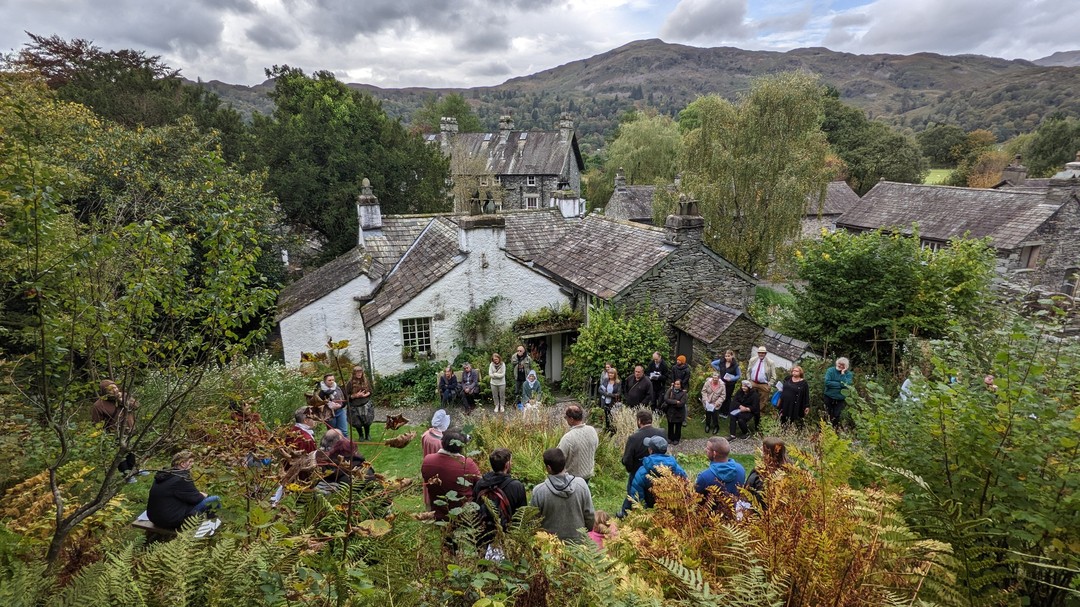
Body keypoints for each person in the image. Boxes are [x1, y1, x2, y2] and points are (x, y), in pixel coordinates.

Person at [530, 447, 595, 543]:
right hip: (578, 543)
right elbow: (590, 515)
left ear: (548, 468)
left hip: (550, 545)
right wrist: (586, 531)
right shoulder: (581, 485)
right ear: (564, 463)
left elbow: (533, 521)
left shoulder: (539, 491)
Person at [147, 450, 220, 530]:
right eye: (190, 461)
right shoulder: (181, 479)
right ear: (182, 464)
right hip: (170, 521)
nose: (192, 464)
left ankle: (207, 525)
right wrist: (206, 495)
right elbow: (197, 499)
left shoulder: (164, 476)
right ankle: (212, 528)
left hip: (154, 518)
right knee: (214, 499)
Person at [472, 448, 527, 553]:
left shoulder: (480, 484)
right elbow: (522, 515)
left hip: (482, 537)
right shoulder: (516, 486)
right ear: (507, 465)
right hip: (506, 538)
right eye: (511, 461)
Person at [420, 430, 481, 522]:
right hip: (464, 515)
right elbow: (480, 484)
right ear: (462, 446)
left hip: (438, 513)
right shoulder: (468, 464)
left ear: (442, 442)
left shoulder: (428, 460)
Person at [619, 410, 666, 516]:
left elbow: (626, 460)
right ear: (651, 420)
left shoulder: (634, 438)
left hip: (638, 471)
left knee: (633, 494)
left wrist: (631, 469)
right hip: (660, 469)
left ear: (639, 421)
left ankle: (626, 514)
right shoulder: (661, 432)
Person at [91, 379, 138, 480]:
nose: (115, 390)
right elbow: (96, 423)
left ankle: (134, 470)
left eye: (115, 387)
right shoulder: (99, 405)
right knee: (120, 454)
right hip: (114, 434)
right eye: (110, 389)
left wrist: (121, 400)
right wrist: (103, 436)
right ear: (105, 392)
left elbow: (136, 406)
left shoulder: (125, 396)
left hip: (130, 430)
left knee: (131, 451)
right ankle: (126, 475)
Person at [628, 435, 688, 509]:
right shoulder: (678, 470)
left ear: (650, 450)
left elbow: (637, 499)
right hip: (673, 510)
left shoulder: (641, 472)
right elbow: (686, 491)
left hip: (651, 512)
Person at [557, 405, 599, 482]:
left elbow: (559, 458)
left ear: (571, 419)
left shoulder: (568, 438)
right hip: (588, 474)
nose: (566, 420)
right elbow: (595, 447)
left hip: (572, 478)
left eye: (566, 417)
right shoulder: (592, 430)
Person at [745, 437, 788, 509]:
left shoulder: (760, 475)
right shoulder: (791, 471)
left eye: (763, 448)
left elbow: (747, 494)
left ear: (767, 453)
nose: (761, 449)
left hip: (760, 511)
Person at [345, 366, 374, 440]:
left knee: (367, 421)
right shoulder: (350, 383)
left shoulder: (365, 381)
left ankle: (367, 435)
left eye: (360, 372)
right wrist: (355, 396)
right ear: (354, 373)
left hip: (365, 404)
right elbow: (346, 396)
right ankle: (361, 435)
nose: (359, 374)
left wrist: (366, 394)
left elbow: (370, 391)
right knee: (357, 423)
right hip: (355, 406)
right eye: (357, 372)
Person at [823, 357, 853, 429]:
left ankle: (834, 430)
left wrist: (842, 374)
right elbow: (827, 383)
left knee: (836, 415)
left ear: (846, 366)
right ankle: (825, 430)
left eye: (843, 365)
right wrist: (840, 384)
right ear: (837, 363)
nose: (840, 366)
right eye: (839, 364)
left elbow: (845, 385)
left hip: (840, 398)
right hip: (829, 396)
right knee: (827, 414)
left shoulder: (849, 374)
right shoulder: (830, 370)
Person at [663, 379, 688, 445]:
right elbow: (666, 399)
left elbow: (681, 404)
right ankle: (670, 438)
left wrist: (670, 402)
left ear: (681, 385)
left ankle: (676, 439)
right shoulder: (670, 390)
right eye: (675, 384)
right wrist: (675, 402)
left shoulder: (683, 393)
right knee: (670, 426)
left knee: (678, 427)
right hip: (670, 412)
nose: (676, 385)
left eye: (678, 384)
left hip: (679, 413)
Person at [597, 367, 621, 432]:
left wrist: (609, 394)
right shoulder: (606, 380)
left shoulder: (618, 382)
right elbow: (600, 389)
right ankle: (607, 430)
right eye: (609, 373)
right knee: (607, 417)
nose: (610, 374)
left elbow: (618, 393)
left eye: (612, 373)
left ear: (615, 374)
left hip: (612, 403)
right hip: (605, 402)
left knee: (612, 418)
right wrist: (606, 394)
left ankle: (613, 431)